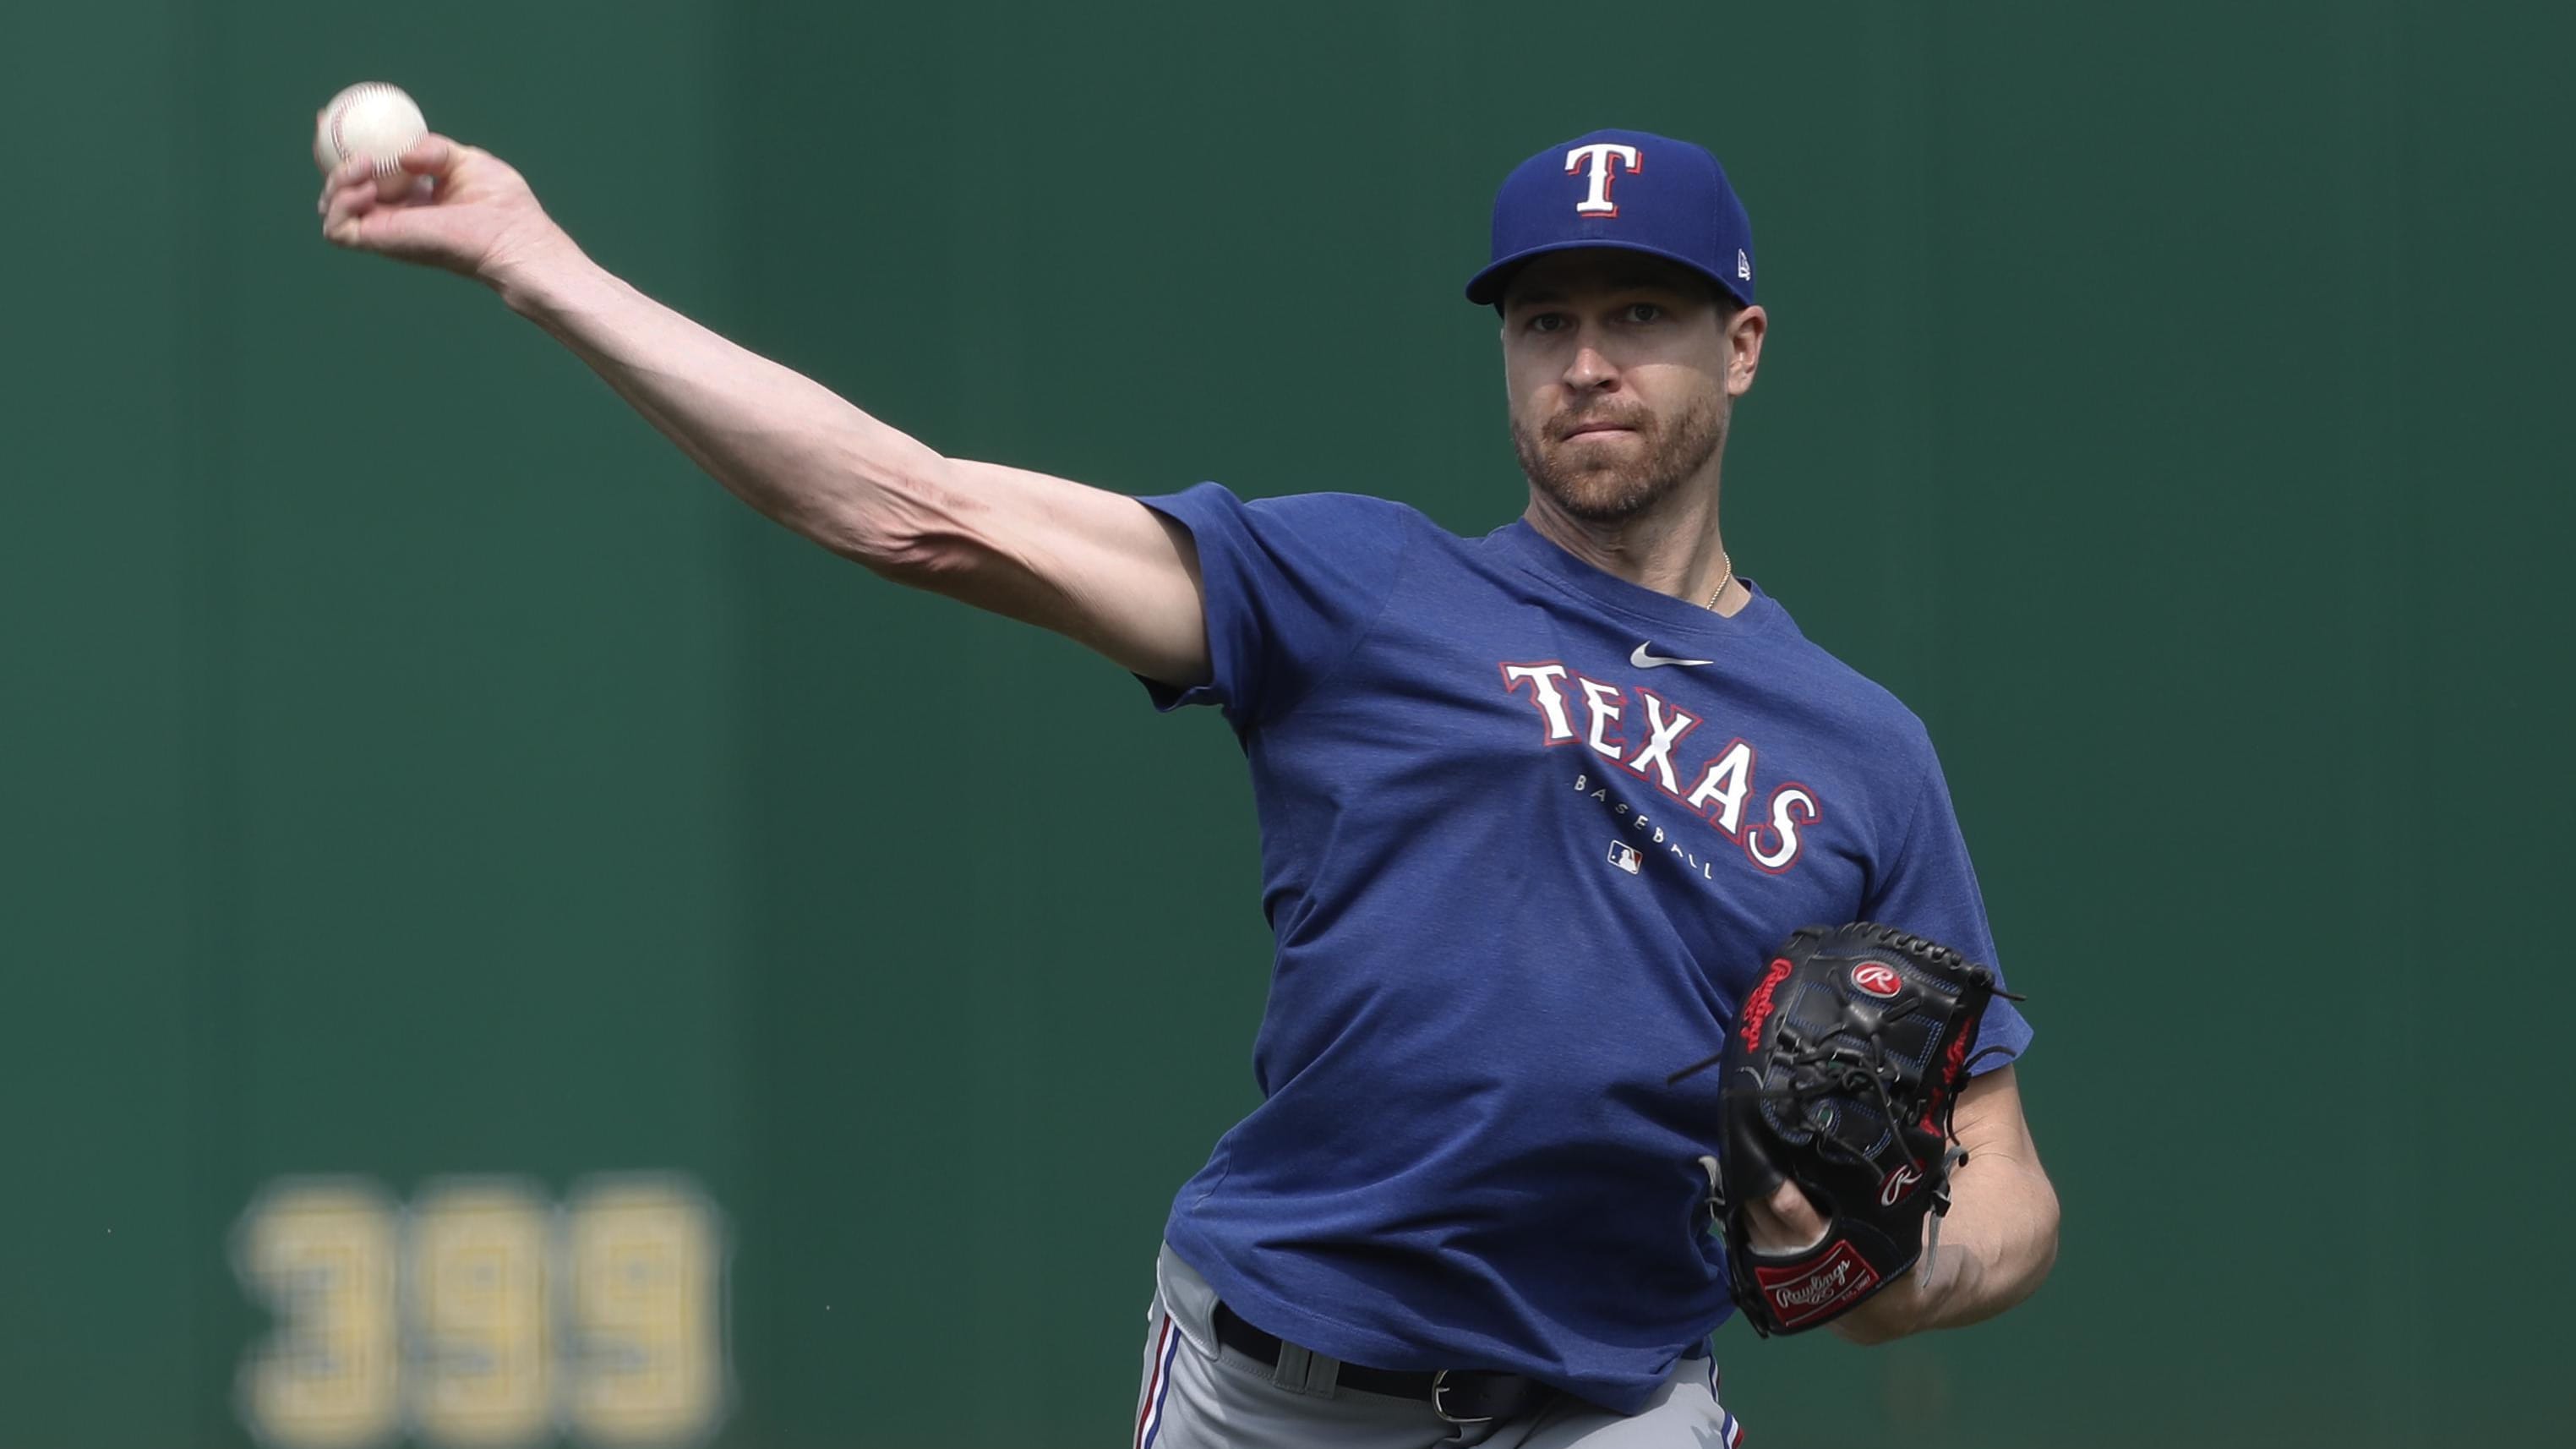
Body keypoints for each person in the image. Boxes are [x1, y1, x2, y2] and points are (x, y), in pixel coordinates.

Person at [318, 123, 2060, 1446]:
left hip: (1610, 1398)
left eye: (1640, 314)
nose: (1587, 357)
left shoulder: (1859, 748)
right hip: (1274, 1384)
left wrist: (1913, 1269)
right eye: (1544, 319)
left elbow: (2000, 1163)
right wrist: (535, 259)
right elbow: (915, 508)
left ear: (1739, 345)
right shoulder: (1360, 589)